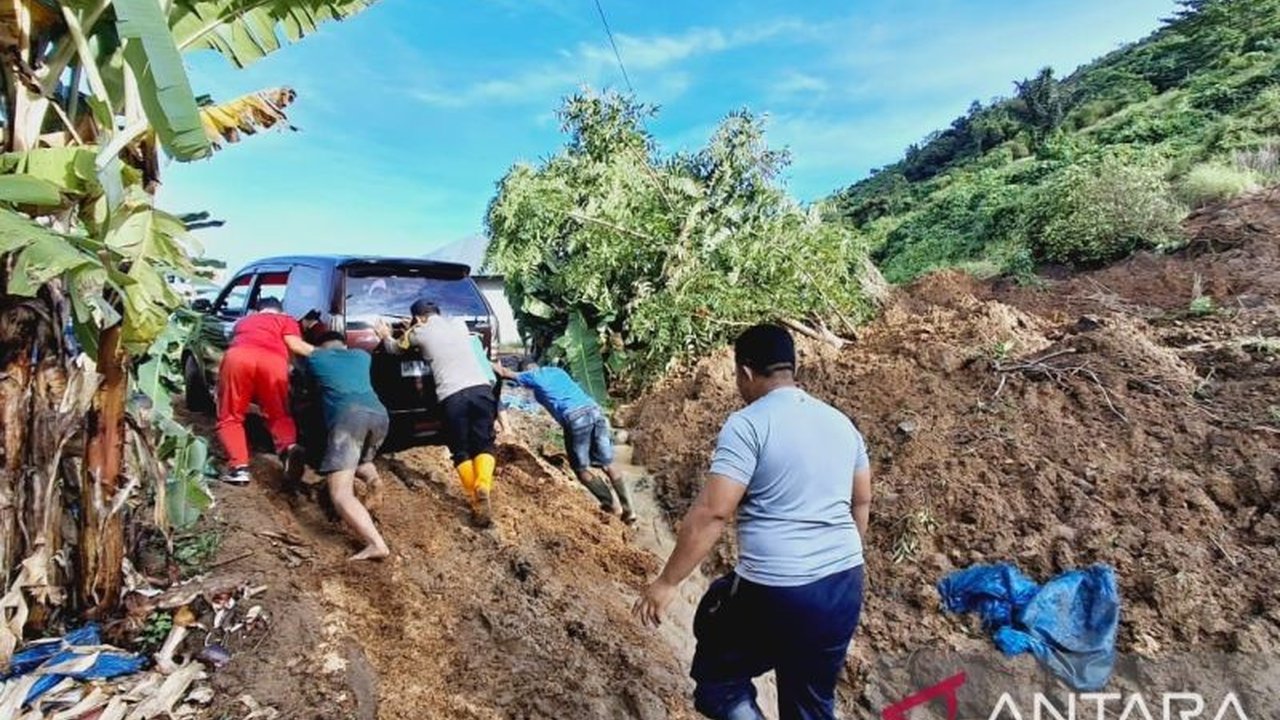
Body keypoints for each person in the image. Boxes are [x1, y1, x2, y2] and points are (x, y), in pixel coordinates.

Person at [632, 324, 872, 720]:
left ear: (745, 372)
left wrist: (668, 582)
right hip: (843, 585)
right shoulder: (841, 424)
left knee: (719, 680)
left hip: (777, 587)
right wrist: (837, 560)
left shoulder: (749, 424)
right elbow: (860, 501)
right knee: (810, 704)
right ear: (792, 367)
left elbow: (714, 512)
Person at [374, 300, 498, 528]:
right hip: (481, 391)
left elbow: (394, 348)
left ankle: (475, 497)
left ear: (418, 318)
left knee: (460, 450)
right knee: (484, 444)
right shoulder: (459, 324)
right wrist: (415, 326)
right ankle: (483, 484)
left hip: (452, 397)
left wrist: (385, 334)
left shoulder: (417, 333)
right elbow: (437, 333)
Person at [493, 360, 635, 523]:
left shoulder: (533, 376)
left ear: (527, 371)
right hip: (595, 412)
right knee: (608, 464)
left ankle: (611, 506)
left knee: (581, 469)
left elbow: (504, 373)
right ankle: (630, 512)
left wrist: (487, 361)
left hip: (576, 419)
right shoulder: (557, 372)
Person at [295, 331, 391, 562]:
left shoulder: (319, 358)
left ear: (322, 347)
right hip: (379, 415)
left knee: (340, 493)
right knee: (360, 460)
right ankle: (373, 480)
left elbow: (306, 389)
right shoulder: (361, 356)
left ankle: (376, 544)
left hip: (349, 418)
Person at [216, 297, 311, 485]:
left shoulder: (244, 321)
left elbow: (232, 340)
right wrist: (329, 354)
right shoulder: (286, 320)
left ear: (258, 310)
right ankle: (288, 447)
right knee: (278, 413)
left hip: (238, 358)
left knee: (230, 416)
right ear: (280, 310)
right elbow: (295, 346)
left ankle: (239, 468)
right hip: (273, 362)